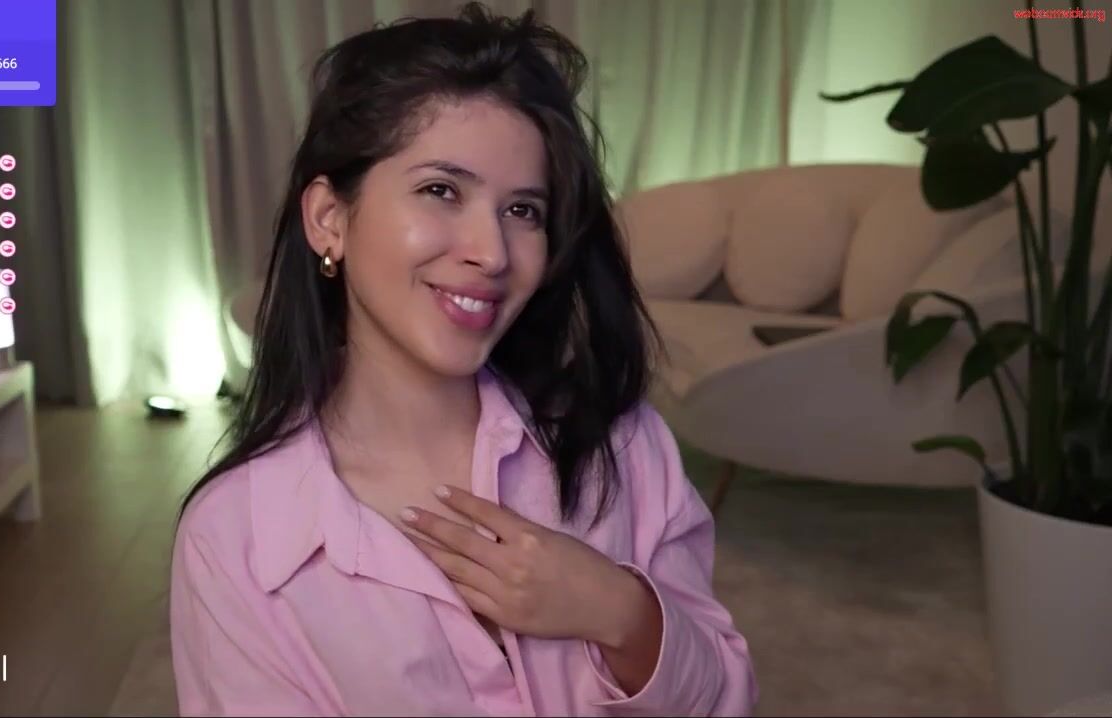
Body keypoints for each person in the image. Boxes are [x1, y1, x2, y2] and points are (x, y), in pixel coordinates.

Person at [169, 3, 756, 715]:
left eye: (523, 210)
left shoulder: (622, 442)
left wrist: (617, 608)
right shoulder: (236, 537)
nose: (492, 252)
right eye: (441, 191)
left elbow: (726, 699)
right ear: (329, 218)